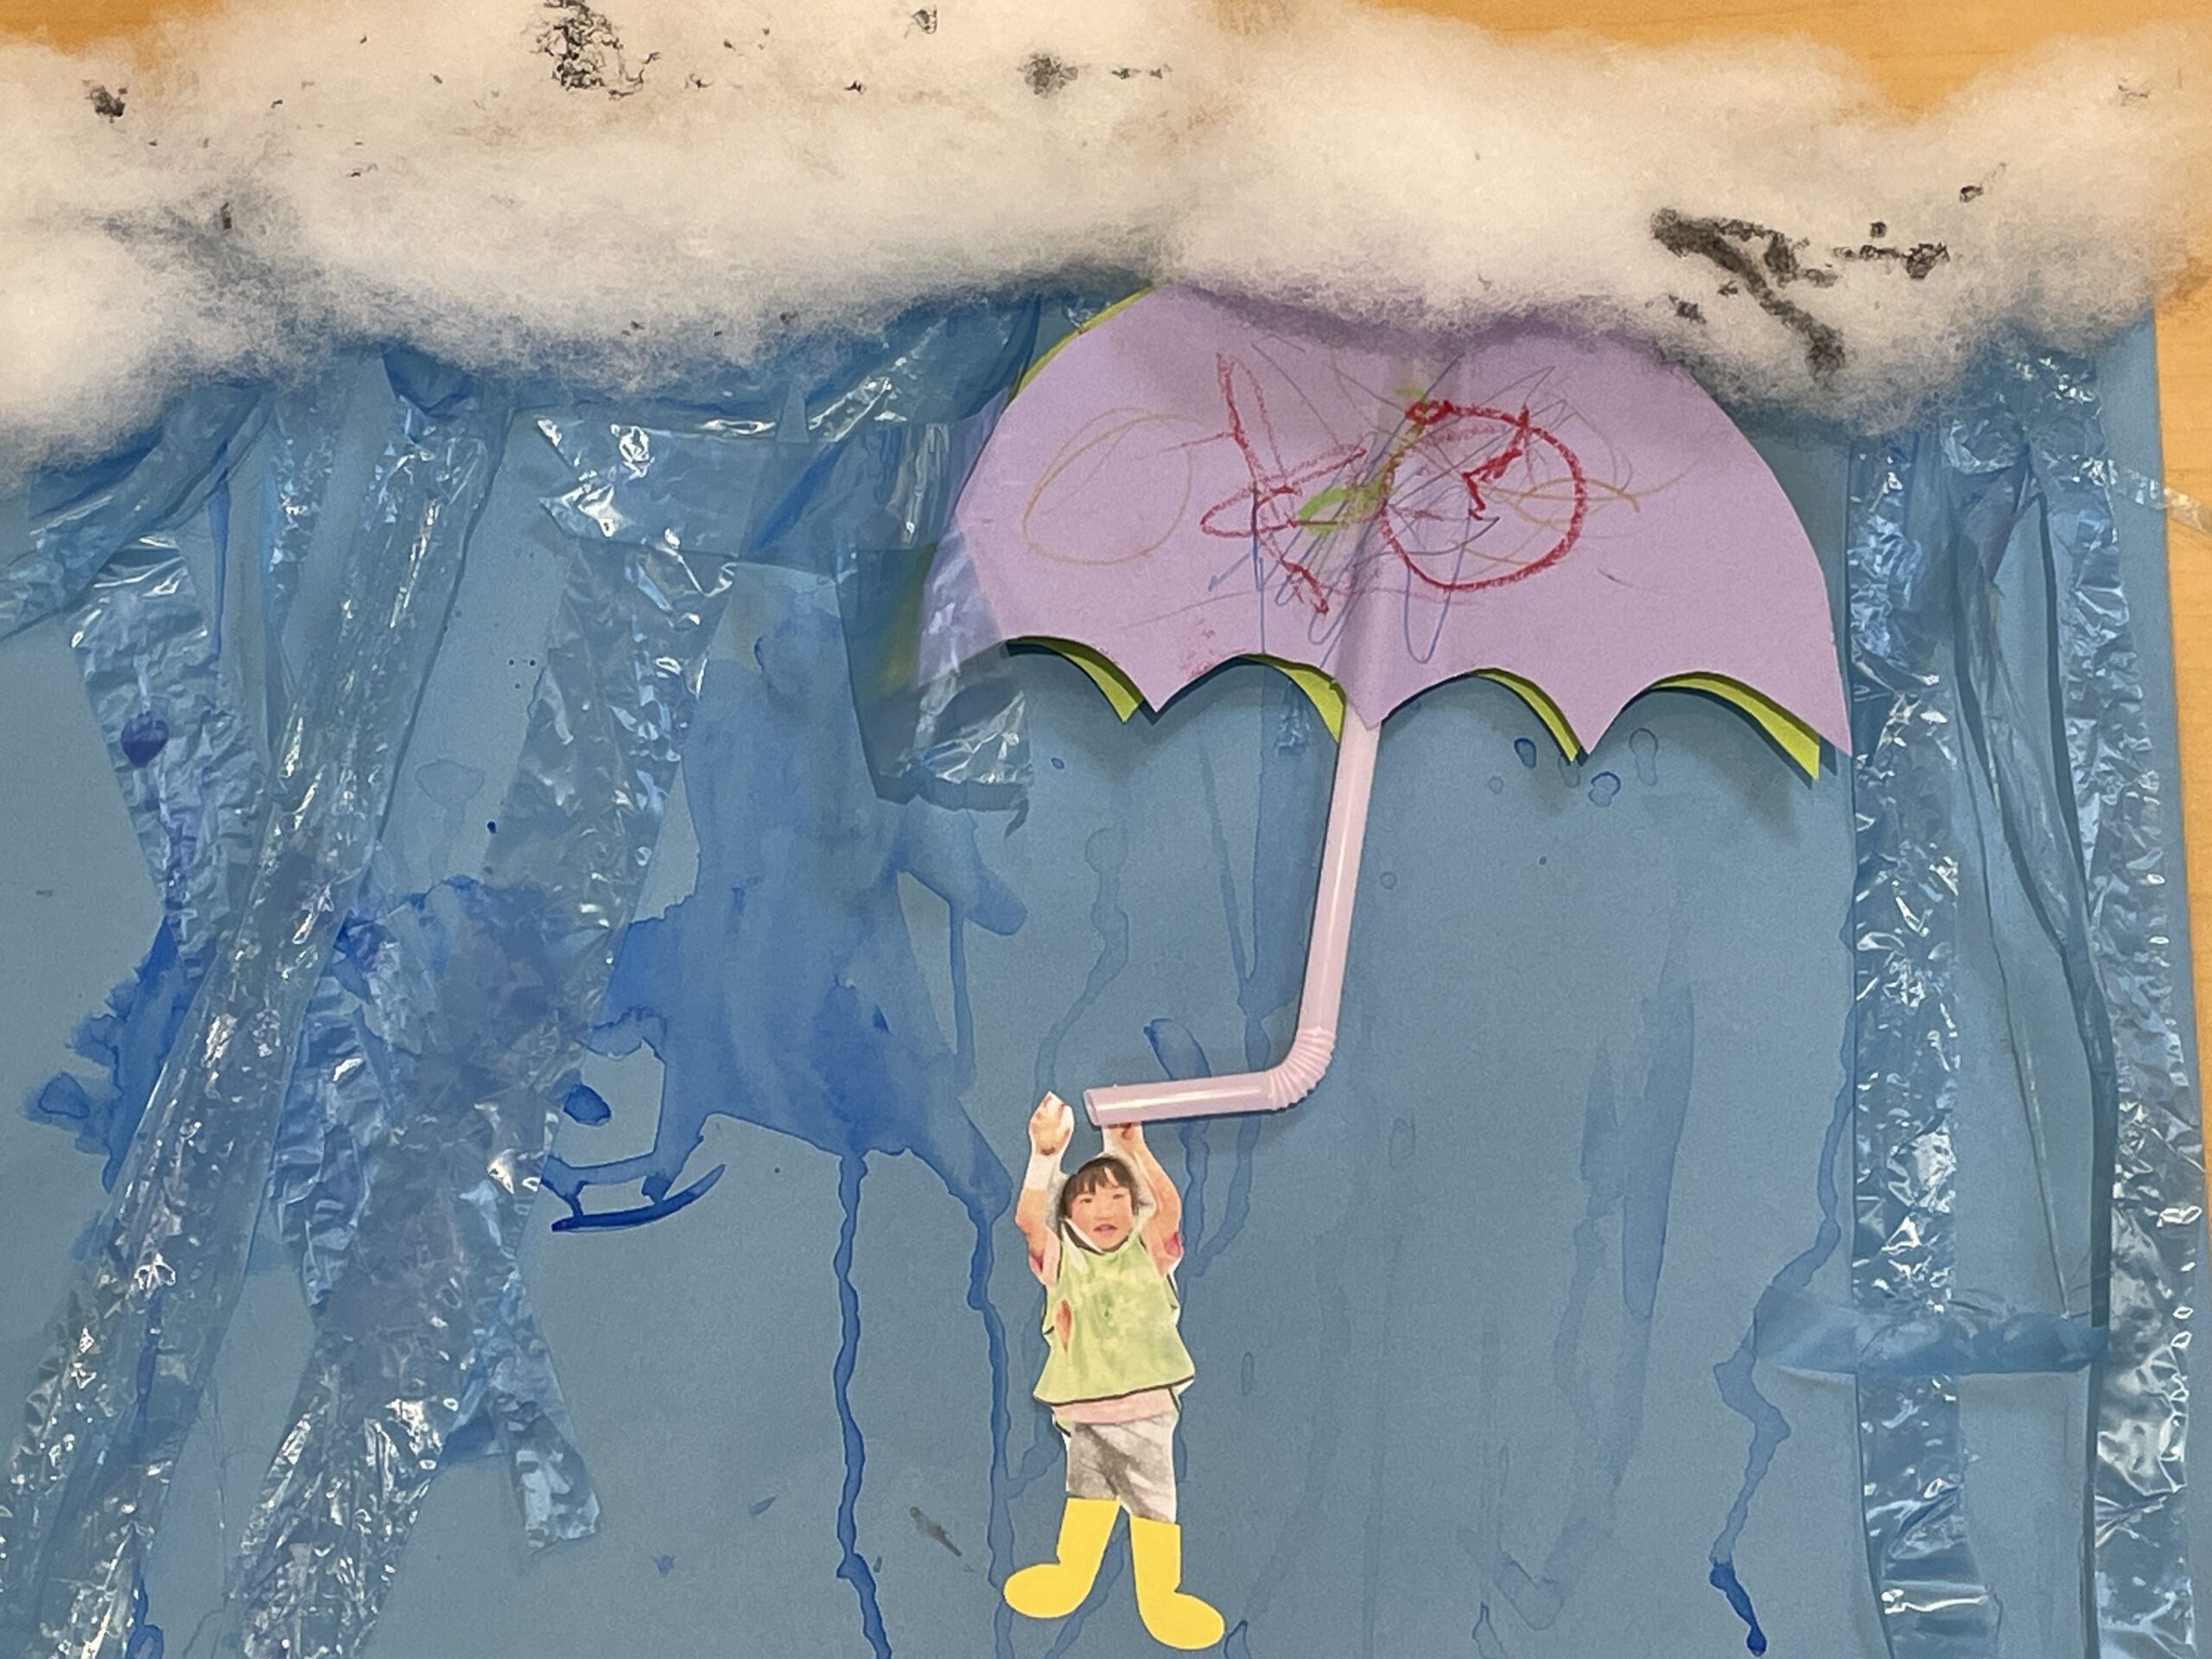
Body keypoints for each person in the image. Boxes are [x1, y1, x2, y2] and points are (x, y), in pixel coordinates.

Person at [1002, 1091, 1224, 1649]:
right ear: (1068, 1216)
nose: (1104, 1210)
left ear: (1134, 1207)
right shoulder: (1063, 1263)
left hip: (1144, 1408)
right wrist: (1045, 1156)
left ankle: (1160, 1597)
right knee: (1088, 1494)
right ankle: (1070, 1577)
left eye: (1117, 1198)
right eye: (1087, 1201)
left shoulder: (1148, 1253)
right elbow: (1029, 1219)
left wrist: (1130, 1147)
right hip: (1083, 1410)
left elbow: (1167, 1210)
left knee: (1152, 1501)